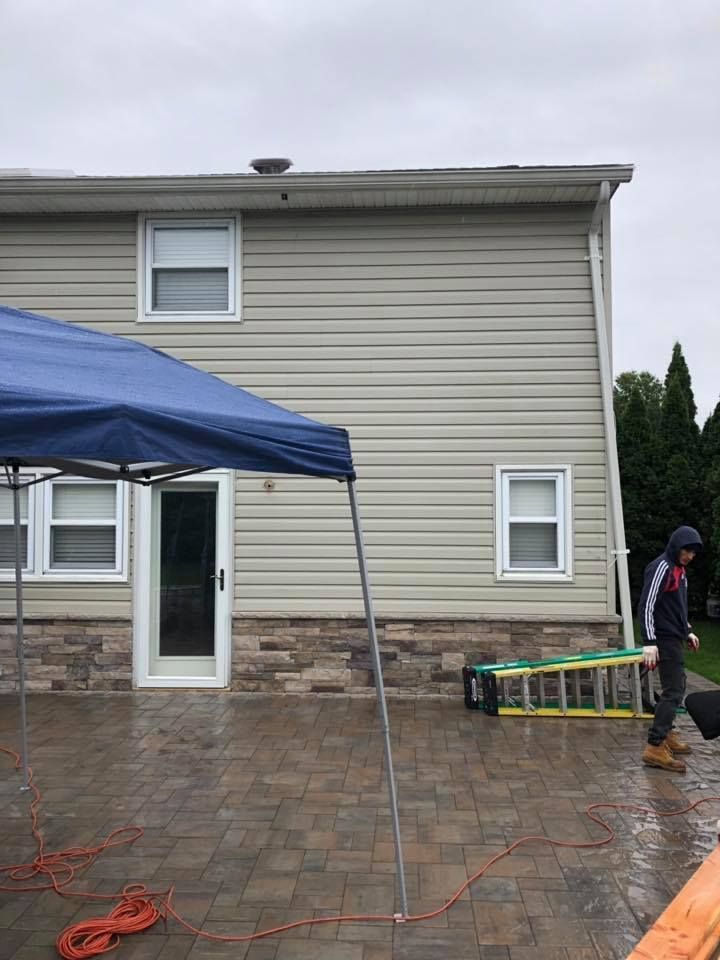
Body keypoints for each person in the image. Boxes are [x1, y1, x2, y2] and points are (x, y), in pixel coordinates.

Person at [638, 525, 703, 772]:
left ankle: (668, 734)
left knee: (677, 686)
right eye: (687, 551)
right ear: (677, 546)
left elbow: (676, 607)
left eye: (693, 553)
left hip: (673, 636)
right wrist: (649, 642)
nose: (690, 556)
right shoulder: (662, 568)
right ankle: (655, 746)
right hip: (662, 639)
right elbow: (646, 606)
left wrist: (687, 630)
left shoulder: (680, 570)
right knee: (673, 691)